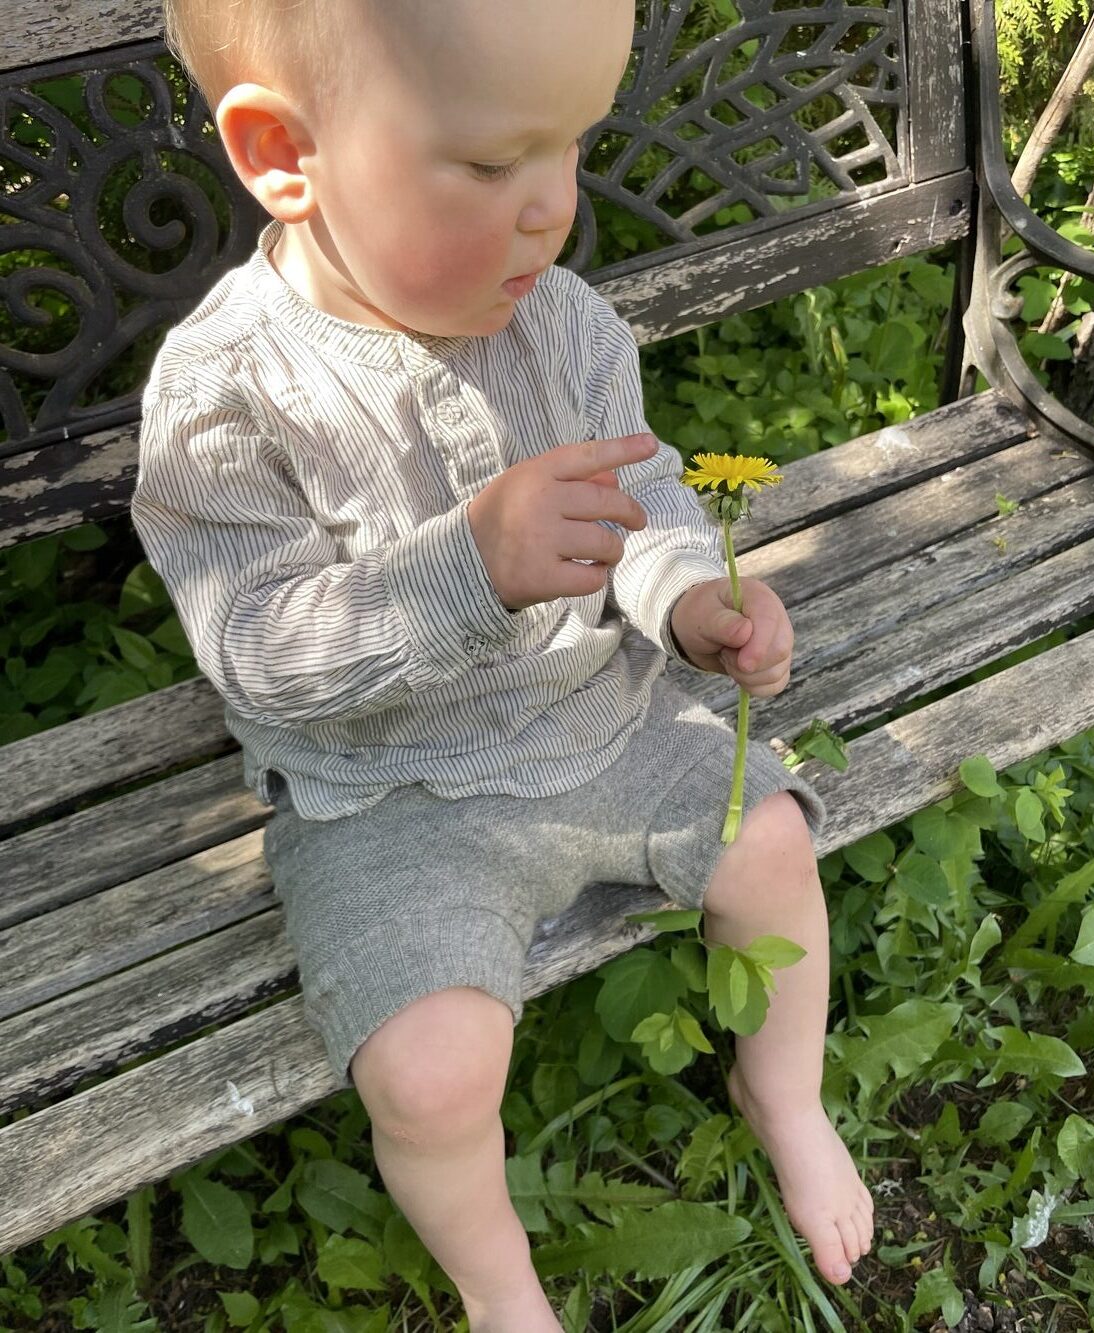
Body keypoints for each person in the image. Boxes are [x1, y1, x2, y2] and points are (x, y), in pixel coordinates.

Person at [131, 0, 874, 1327]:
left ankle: (786, 1092)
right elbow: (259, 657)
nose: (550, 209)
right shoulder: (225, 394)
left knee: (769, 845)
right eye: (489, 164)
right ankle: (500, 1283)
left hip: (599, 716)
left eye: (571, 144)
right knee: (427, 1069)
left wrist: (691, 599)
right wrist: (464, 566)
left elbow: (636, 493)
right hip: (388, 799)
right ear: (281, 156)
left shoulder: (562, 323)